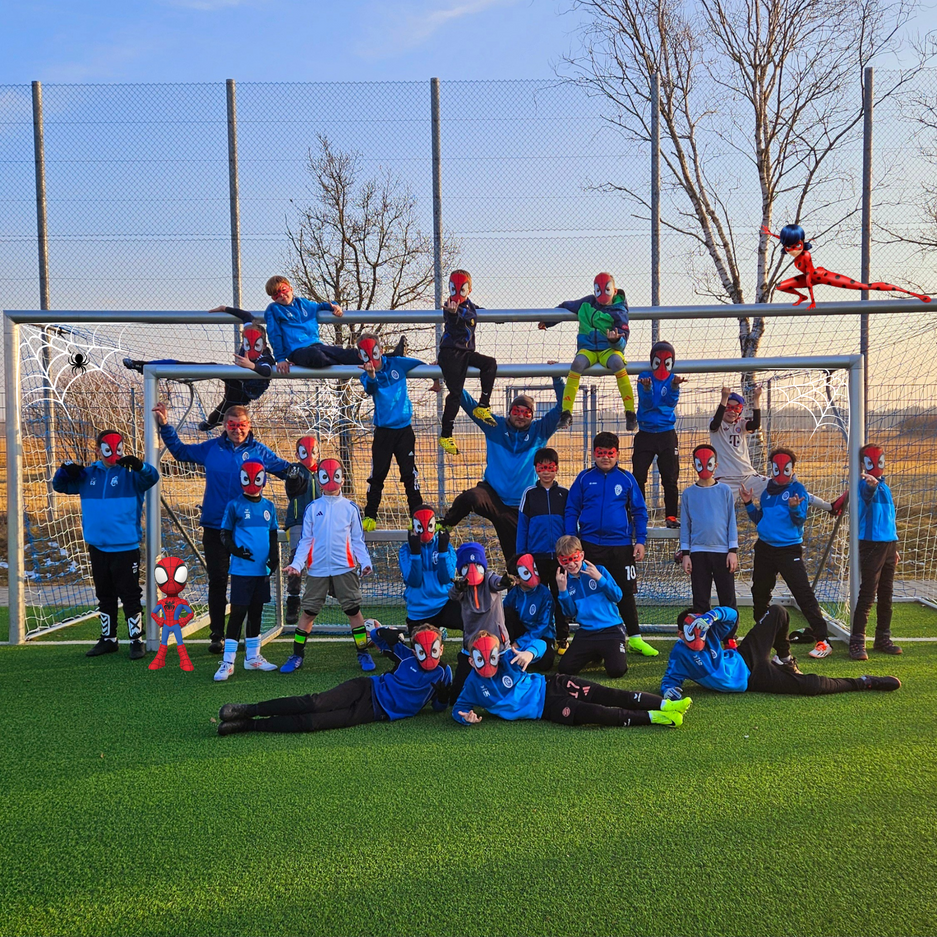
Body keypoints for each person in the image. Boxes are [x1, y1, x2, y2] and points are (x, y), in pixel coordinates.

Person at [153, 402, 290, 654]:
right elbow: (181, 452)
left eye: (242, 425)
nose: (237, 430)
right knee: (217, 579)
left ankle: (249, 637)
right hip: (215, 526)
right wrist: (165, 426)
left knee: (247, 581)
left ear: (249, 426)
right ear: (225, 426)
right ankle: (217, 634)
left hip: (246, 531)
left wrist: (308, 470)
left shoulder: (259, 451)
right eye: (232, 425)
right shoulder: (211, 448)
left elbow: (286, 470)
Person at [216, 624, 453, 736]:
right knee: (314, 702)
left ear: (441, 649)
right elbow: (375, 637)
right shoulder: (406, 655)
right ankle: (248, 709)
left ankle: (248, 725)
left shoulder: (444, 673)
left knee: (313, 722)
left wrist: (443, 698)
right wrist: (385, 633)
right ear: (416, 648)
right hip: (366, 687)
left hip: (376, 712)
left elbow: (438, 707)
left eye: (434, 649)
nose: (427, 655)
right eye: (422, 649)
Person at [52, 430, 159, 659]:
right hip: (97, 547)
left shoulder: (131, 475)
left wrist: (140, 466)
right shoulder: (88, 475)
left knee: (130, 594)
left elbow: (152, 477)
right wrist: (64, 470)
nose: (114, 454)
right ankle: (108, 639)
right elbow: (59, 486)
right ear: (98, 450)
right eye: (108, 449)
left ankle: (136, 640)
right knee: (104, 594)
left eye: (118, 449)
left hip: (125, 547)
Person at [453, 630, 691, 728]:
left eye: (493, 657)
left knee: (608, 694)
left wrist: (530, 653)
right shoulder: (472, 686)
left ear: (498, 654)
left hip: (552, 684)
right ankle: (657, 718)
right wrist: (466, 718)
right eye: (480, 659)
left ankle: (666, 704)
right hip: (548, 709)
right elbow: (459, 709)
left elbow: (540, 643)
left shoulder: (508, 658)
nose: (489, 663)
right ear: (471, 661)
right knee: (598, 713)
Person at [661, 605, 900, 699]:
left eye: (699, 628)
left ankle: (784, 659)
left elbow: (732, 616)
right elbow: (670, 680)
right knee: (811, 685)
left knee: (778, 611)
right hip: (752, 679)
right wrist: (669, 691)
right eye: (691, 631)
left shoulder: (711, 630)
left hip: (744, 656)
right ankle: (864, 682)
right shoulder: (679, 655)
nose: (698, 634)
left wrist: (712, 616)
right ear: (681, 634)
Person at [441, 382, 564, 562]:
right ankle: (444, 526)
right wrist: (450, 376)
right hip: (493, 496)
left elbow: (562, 405)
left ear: (532, 415)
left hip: (519, 507)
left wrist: (557, 377)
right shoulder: (495, 426)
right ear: (509, 411)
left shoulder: (540, 431)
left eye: (526, 413)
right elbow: (468, 404)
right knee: (470, 497)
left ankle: (516, 576)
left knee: (518, 559)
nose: (520, 416)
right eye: (516, 411)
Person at [280, 458, 376, 674]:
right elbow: (306, 540)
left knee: (353, 610)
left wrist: (365, 562)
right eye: (326, 476)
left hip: (345, 568)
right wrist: (297, 564)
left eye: (336, 475)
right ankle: (297, 654)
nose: (331, 481)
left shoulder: (350, 508)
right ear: (319, 479)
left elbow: (357, 540)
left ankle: (362, 652)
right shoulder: (313, 508)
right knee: (308, 612)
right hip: (318, 570)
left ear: (342, 479)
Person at [565, 432, 657, 657]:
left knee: (625, 591)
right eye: (600, 453)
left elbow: (639, 511)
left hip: (621, 546)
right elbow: (571, 509)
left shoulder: (626, 479)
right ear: (593, 454)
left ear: (617, 454)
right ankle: (593, 635)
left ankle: (635, 638)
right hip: (589, 544)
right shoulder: (584, 478)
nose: (605, 457)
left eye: (610, 453)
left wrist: (640, 540)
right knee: (592, 590)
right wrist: (571, 538)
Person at [740, 448, 833, 659]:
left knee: (803, 594)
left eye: (785, 468)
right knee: (759, 593)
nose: (781, 472)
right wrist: (748, 503)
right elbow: (760, 520)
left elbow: (800, 520)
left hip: (788, 550)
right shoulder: (767, 492)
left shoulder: (797, 490)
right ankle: (766, 636)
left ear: (792, 469)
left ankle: (823, 640)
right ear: (772, 468)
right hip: (765, 549)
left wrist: (793, 508)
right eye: (776, 467)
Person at [123, 309, 275, 431]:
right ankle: (144, 365)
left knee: (222, 412)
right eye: (246, 344)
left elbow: (267, 371)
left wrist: (251, 366)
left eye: (256, 345)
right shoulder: (250, 331)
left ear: (263, 345)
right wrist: (225, 308)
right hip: (235, 377)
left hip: (247, 391)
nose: (249, 348)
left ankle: (211, 423)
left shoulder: (266, 357)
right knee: (207, 366)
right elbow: (246, 315)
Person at [710, 386, 832, 512]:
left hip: (747, 476)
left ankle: (829, 507)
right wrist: (724, 398)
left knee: (787, 489)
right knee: (717, 512)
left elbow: (755, 424)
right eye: (728, 407)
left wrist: (756, 399)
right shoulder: (716, 423)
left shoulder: (740, 423)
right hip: (726, 479)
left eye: (736, 408)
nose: (732, 411)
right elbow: (715, 423)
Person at [544, 272, 636, 432]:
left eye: (607, 290)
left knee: (617, 363)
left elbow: (623, 340)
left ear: (614, 291)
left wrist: (615, 340)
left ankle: (630, 413)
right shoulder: (587, 303)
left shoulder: (620, 311)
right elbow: (566, 306)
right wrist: (547, 321)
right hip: (588, 349)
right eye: (598, 291)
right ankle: (566, 413)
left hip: (609, 349)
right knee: (577, 364)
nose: (602, 296)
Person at [214, 461, 280, 681]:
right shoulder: (234, 505)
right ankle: (228, 661)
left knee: (256, 612)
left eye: (257, 478)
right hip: (242, 571)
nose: (252, 483)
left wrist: (274, 557)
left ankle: (253, 657)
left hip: (262, 571)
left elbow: (272, 534)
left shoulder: (269, 506)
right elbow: (224, 534)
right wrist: (235, 550)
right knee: (238, 613)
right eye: (248, 478)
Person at [762, 223, 930, 309]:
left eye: (796, 246)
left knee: (864, 286)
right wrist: (771, 234)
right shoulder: (793, 248)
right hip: (810, 277)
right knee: (780, 286)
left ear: (802, 242)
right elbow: (786, 241)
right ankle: (801, 297)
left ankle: (915, 294)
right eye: (788, 247)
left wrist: (813, 301)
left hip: (820, 277)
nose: (792, 250)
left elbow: (808, 280)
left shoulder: (805, 256)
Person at [837, 444, 903, 660]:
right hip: (871, 545)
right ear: (862, 464)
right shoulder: (863, 485)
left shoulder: (885, 486)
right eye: (871, 461)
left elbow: (889, 519)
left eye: (879, 460)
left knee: (886, 595)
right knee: (867, 594)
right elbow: (866, 496)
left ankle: (882, 637)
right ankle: (857, 642)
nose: (877, 465)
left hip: (888, 546)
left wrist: (894, 546)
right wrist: (871, 486)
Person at [261, 275, 405, 373]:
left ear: (291, 289)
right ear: (273, 298)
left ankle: (391, 357)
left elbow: (322, 305)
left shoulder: (304, 304)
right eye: (276, 294)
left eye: (283, 290)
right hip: (297, 351)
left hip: (316, 345)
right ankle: (341, 363)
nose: (281, 295)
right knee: (316, 356)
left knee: (344, 353)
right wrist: (280, 358)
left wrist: (334, 306)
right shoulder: (274, 310)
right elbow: (274, 334)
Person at [356, 333, 425, 530]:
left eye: (374, 352)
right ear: (360, 356)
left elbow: (422, 364)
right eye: (366, 354)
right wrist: (371, 375)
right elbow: (370, 389)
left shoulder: (397, 364)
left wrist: (436, 379)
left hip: (404, 431)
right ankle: (370, 516)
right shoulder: (365, 374)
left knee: (409, 475)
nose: (372, 358)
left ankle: (418, 516)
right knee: (377, 475)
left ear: (380, 350)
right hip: (383, 433)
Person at [437, 269, 498, 455]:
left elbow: (475, 312)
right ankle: (446, 435)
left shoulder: (470, 305)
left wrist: (498, 318)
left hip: (466, 352)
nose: (457, 294)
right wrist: (452, 313)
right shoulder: (450, 306)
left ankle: (483, 405)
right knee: (455, 394)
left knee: (490, 364)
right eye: (453, 289)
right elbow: (454, 318)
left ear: (469, 290)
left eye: (461, 289)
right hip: (451, 353)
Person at [516, 447, 570, 653]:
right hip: (535, 557)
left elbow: (570, 524)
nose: (546, 472)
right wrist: (522, 556)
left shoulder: (564, 494)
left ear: (557, 468)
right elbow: (522, 527)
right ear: (536, 469)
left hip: (559, 559)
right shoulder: (529, 494)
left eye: (550, 467)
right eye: (542, 468)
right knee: (538, 598)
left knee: (559, 596)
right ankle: (540, 636)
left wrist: (567, 552)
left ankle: (562, 638)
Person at [553, 535, 631, 677]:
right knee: (565, 668)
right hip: (587, 632)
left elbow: (617, 596)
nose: (571, 564)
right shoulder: (565, 581)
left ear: (582, 555)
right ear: (559, 561)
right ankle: (595, 652)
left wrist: (600, 579)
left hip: (611, 629)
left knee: (617, 670)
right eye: (565, 560)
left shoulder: (599, 570)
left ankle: (608, 649)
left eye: (574, 558)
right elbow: (570, 613)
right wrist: (563, 591)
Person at [447, 542, 514, 703]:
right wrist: (458, 588)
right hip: (471, 646)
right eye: (467, 566)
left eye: (477, 565)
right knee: (456, 694)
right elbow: (453, 595)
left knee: (510, 686)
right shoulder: (462, 586)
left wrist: (505, 582)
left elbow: (497, 583)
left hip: (499, 646)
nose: (473, 569)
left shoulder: (490, 578)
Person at [679, 443, 738, 615]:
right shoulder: (688, 493)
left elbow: (731, 522)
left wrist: (732, 551)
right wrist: (686, 554)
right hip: (698, 553)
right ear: (694, 466)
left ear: (716, 465)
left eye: (709, 464)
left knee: (727, 598)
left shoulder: (725, 491)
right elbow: (685, 526)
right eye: (700, 464)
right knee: (700, 600)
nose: (705, 468)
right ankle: (701, 631)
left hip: (722, 552)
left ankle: (729, 631)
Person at [633, 340, 685, 528]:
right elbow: (646, 404)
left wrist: (675, 387)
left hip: (666, 434)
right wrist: (647, 389)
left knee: (670, 477)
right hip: (645, 433)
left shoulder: (672, 379)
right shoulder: (644, 377)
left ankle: (671, 516)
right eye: (658, 360)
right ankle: (639, 516)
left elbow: (670, 403)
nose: (662, 365)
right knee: (638, 476)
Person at [398, 503, 461, 635]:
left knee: (471, 619)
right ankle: (434, 631)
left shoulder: (446, 546)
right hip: (419, 610)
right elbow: (414, 581)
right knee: (423, 646)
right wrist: (415, 554)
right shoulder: (405, 550)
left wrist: (443, 552)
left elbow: (446, 578)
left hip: (444, 603)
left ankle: (445, 632)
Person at [282, 436, 321, 626]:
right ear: (297, 454)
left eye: (313, 451)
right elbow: (292, 491)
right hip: (298, 521)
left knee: (322, 555)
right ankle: (293, 599)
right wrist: (293, 478)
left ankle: (326, 589)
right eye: (304, 452)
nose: (310, 456)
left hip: (320, 522)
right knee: (296, 557)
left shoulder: (323, 472)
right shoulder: (295, 471)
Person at [502, 553, 557, 672]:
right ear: (516, 579)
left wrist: (519, 643)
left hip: (542, 635)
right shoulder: (514, 593)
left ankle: (523, 652)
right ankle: (505, 648)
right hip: (522, 630)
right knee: (505, 613)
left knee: (546, 663)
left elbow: (543, 626)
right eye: (526, 573)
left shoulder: (545, 594)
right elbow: (503, 612)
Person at [148, 556, 195, 672]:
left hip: (175, 624)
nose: (170, 582)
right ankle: (159, 660)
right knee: (163, 642)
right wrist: (159, 620)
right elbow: (153, 613)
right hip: (166, 624)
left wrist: (183, 620)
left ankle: (184, 660)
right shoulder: (162, 602)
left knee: (180, 642)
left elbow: (190, 614)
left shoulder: (181, 602)